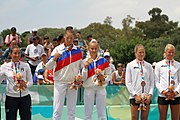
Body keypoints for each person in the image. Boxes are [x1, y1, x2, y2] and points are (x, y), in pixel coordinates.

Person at [46, 28, 83, 120]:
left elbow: (81, 67)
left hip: (72, 83)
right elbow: (48, 66)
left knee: (72, 110)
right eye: (67, 38)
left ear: (73, 37)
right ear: (64, 37)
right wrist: (54, 58)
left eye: (71, 38)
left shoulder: (78, 51)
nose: (69, 40)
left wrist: (80, 77)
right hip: (60, 82)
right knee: (58, 109)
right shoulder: (58, 49)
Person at [0, 45, 33, 120]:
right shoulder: (4, 67)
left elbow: (30, 81)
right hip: (11, 98)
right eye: (15, 53)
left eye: (19, 53)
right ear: (10, 54)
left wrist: (25, 85)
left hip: (25, 97)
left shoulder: (26, 65)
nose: (17, 55)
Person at [82, 40, 111, 120]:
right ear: (88, 49)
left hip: (101, 88)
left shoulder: (104, 61)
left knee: (102, 114)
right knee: (87, 114)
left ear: (98, 49)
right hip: (89, 88)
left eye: (95, 48)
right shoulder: (84, 61)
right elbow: (83, 78)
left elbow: (109, 76)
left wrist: (103, 78)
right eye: (92, 48)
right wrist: (85, 68)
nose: (94, 50)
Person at [125, 44, 154, 120]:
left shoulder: (149, 66)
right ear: (135, 53)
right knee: (134, 117)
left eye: (143, 52)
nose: (141, 54)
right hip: (135, 96)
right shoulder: (130, 65)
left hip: (146, 96)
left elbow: (152, 82)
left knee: (144, 118)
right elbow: (128, 82)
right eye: (139, 52)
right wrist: (135, 95)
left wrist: (150, 95)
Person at [155, 44, 180, 120]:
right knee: (162, 117)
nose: (171, 54)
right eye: (169, 52)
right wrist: (163, 91)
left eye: (173, 52)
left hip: (175, 95)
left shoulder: (178, 65)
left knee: (175, 118)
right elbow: (156, 80)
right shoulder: (159, 65)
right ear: (165, 52)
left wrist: (176, 92)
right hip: (163, 95)